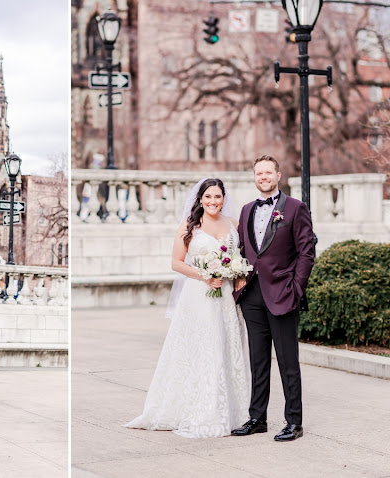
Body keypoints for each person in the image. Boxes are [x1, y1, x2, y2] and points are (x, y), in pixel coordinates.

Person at [124, 178, 251, 438]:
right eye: (208, 197)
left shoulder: (233, 224)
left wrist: (237, 273)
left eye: (217, 196)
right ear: (200, 199)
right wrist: (203, 275)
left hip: (225, 296)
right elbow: (176, 262)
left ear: (223, 198)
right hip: (199, 295)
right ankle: (199, 410)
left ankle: (230, 412)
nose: (213, 201)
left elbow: (241, 256)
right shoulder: (190, 225)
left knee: (226, 348)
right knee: (203, 348)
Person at [232, 155, 315, 442]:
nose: (263, 176)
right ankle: (257, 418)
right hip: (252, 295)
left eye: (268, 172)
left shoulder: (295, 208)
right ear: (254, 177)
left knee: (287, 361)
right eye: (259, 173)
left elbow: (307, 252)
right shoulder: (245, 210)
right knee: (258, 360)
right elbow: (243, 250)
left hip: (283, 293)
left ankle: (294, 422)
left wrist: (296, 287)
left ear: (278, 175)